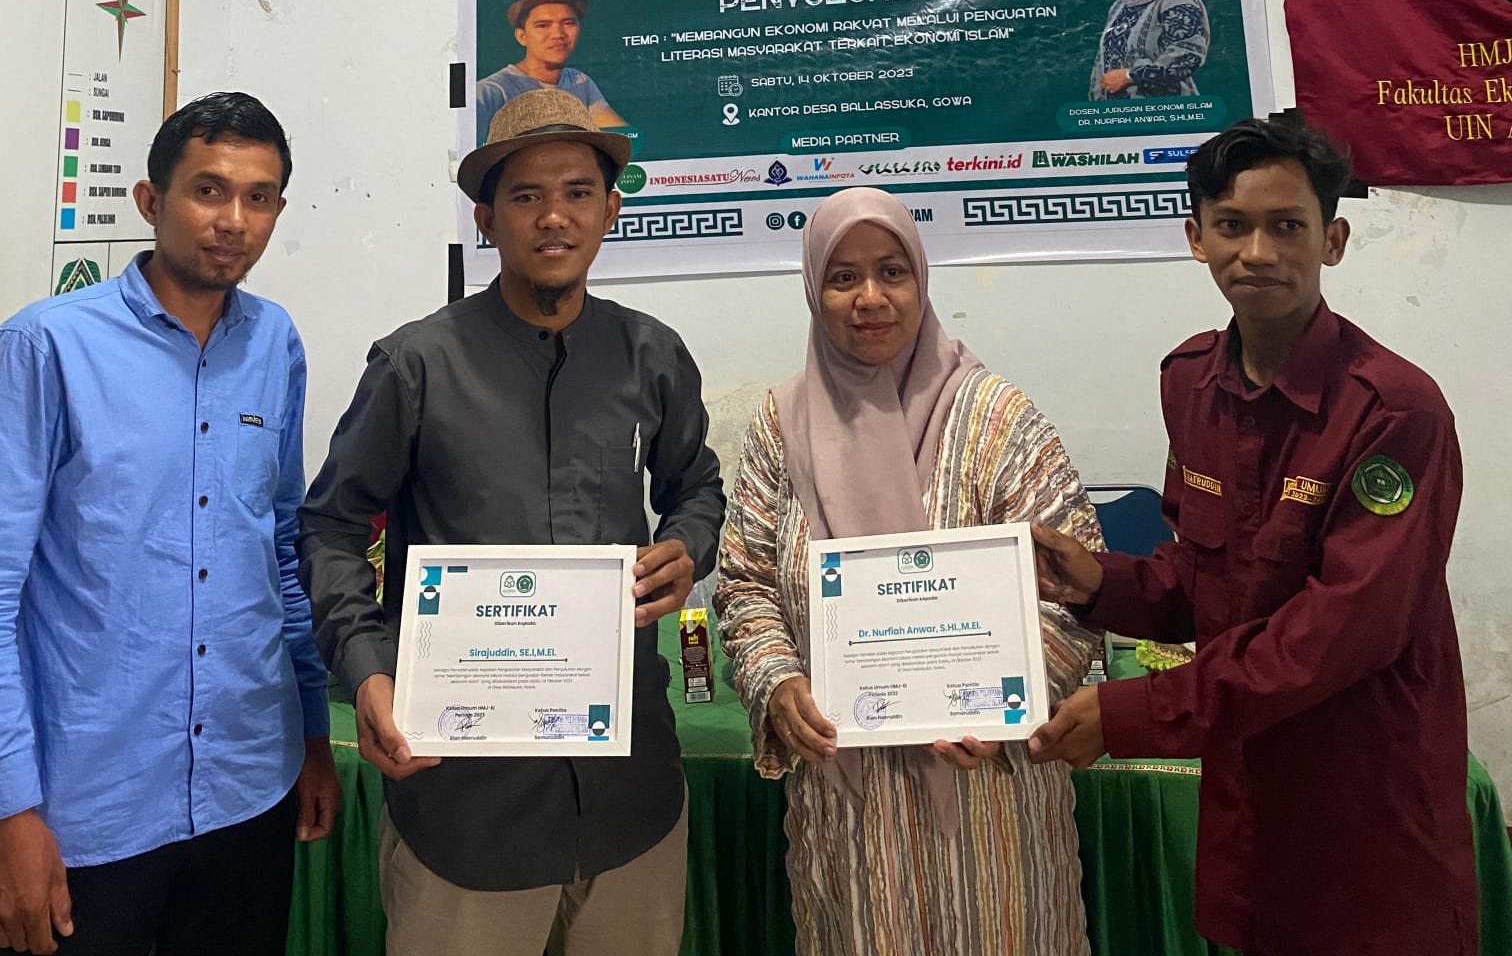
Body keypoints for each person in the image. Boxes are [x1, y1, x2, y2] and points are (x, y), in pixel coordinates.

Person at [1028, 118, 1478, 956]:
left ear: (1333, 241)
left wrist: (1137, 712)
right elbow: (1210, 578)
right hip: (1247, 800)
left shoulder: (1394, 412)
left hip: (1366, 805)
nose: (1258, 252)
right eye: (1232, 225)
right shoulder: (1192, 383)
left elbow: (1338, 633)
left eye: (1288, 226)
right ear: (1196, 239)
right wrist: (1098, 582)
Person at [298, 88, 724, 956]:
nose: (554, 217)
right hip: (465, 808)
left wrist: (687, 546)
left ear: (611, 210)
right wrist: (368, 670)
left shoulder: (652, 355)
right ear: (488, 220)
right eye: (526, 196)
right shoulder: (416, 365)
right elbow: (331, 529)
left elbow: (698, 486)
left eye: (577, 193)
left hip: (630, 797)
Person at [714, 187, 1100, 955]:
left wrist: (1002, 704)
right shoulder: (782, 424)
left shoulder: (998, 419)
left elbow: (1074, 586)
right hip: (848, 811)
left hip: (991, 799)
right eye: (843, 277)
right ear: (813, 288)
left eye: (892, 271)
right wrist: (779, 683)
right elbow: (745, 581)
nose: (870, 297)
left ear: (921, 279)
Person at [0, 93, 339, 956]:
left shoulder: (275, 343)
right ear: (152, 200)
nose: (234, 221)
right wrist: (10, 810)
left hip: (248, 787)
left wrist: (310, 731)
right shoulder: (46, 347)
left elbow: (281, 551)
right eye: (208, 190)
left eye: (258, 198)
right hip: (89, 807)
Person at [475, 0, 628, 145]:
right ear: (522, 36)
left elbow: (624, 137)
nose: (558, 34)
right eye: (543, 25)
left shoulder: (579, 81)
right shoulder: (493, 92)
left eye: (568, 23)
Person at [1089, 0, 1210, 100]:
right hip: (1119, 111)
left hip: (1165, 108)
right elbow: (1102, 59)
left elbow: (1188, 54)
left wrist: (1130, 76)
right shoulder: (1120, 5)